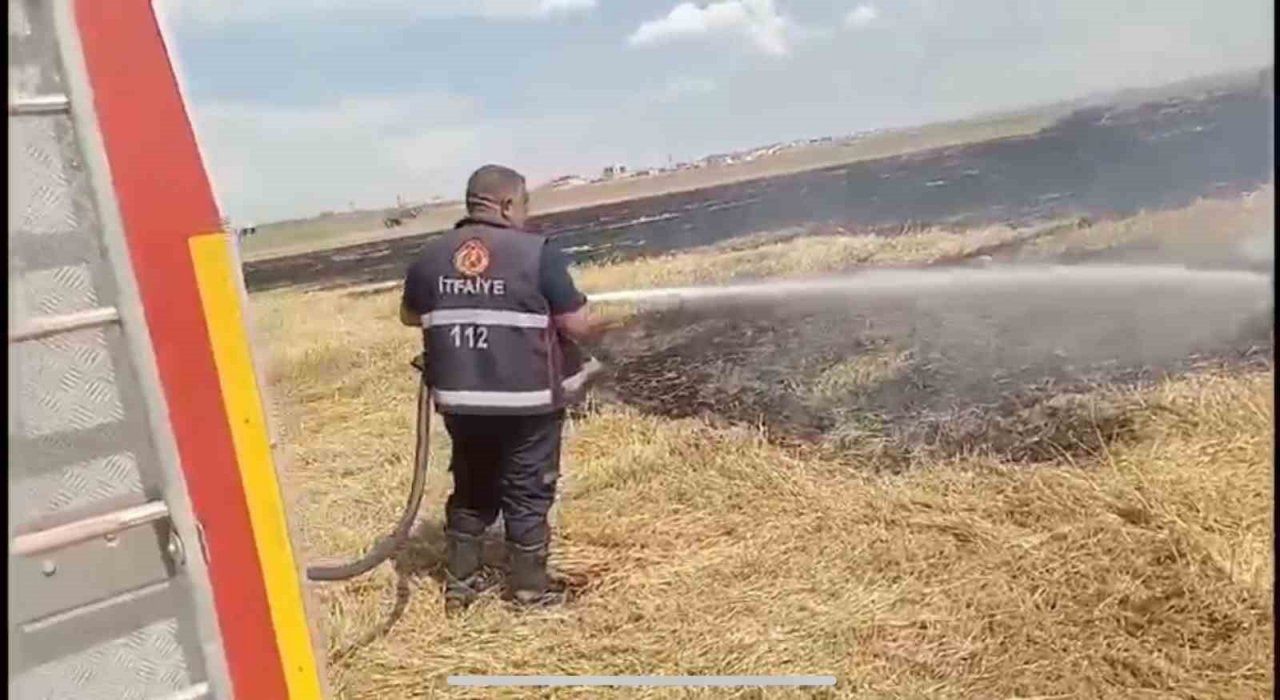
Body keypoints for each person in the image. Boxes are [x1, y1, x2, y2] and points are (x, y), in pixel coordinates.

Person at [400, 164, 614, 609]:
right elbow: (576, 324)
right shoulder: (535, 253)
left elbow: (410, 315)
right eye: (524, 206)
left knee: (473, 486)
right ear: (507, 204)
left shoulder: (431, 254)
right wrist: (604, 325)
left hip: (461, 402)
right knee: (528, 489)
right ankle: (530, 590)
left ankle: (460, 586)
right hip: (527, 402)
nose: (525, 215)